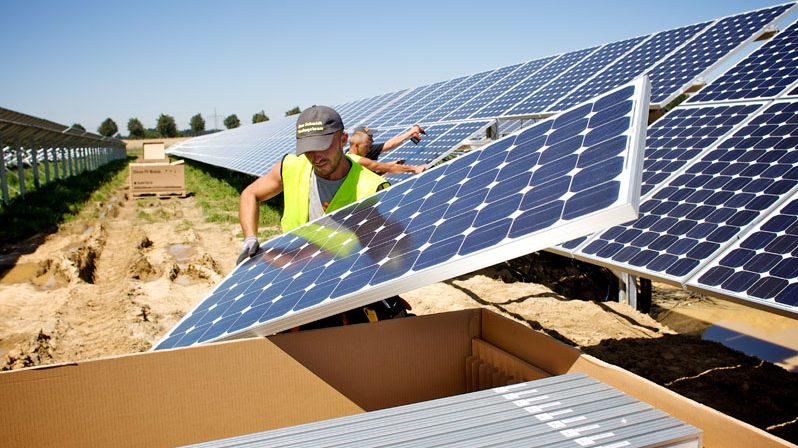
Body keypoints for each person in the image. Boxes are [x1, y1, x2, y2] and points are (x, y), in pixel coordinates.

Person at [237, 105, 409, 328]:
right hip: (297, 284)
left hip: (346, 290)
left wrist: (296, 258)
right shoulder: (292, 167)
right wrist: (250, 237)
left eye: (323, 147)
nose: (316, 157)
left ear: (343, 139)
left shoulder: (373, 188)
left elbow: (372, 253)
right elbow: (250, 193)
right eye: (308, 149)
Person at [347, 125, 427, 175]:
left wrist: (385, 166)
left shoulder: (351, 155)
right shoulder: (356, 157)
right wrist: (414, 169)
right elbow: (390, 145)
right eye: (370, 137)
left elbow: (367, 171)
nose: (372, 140)